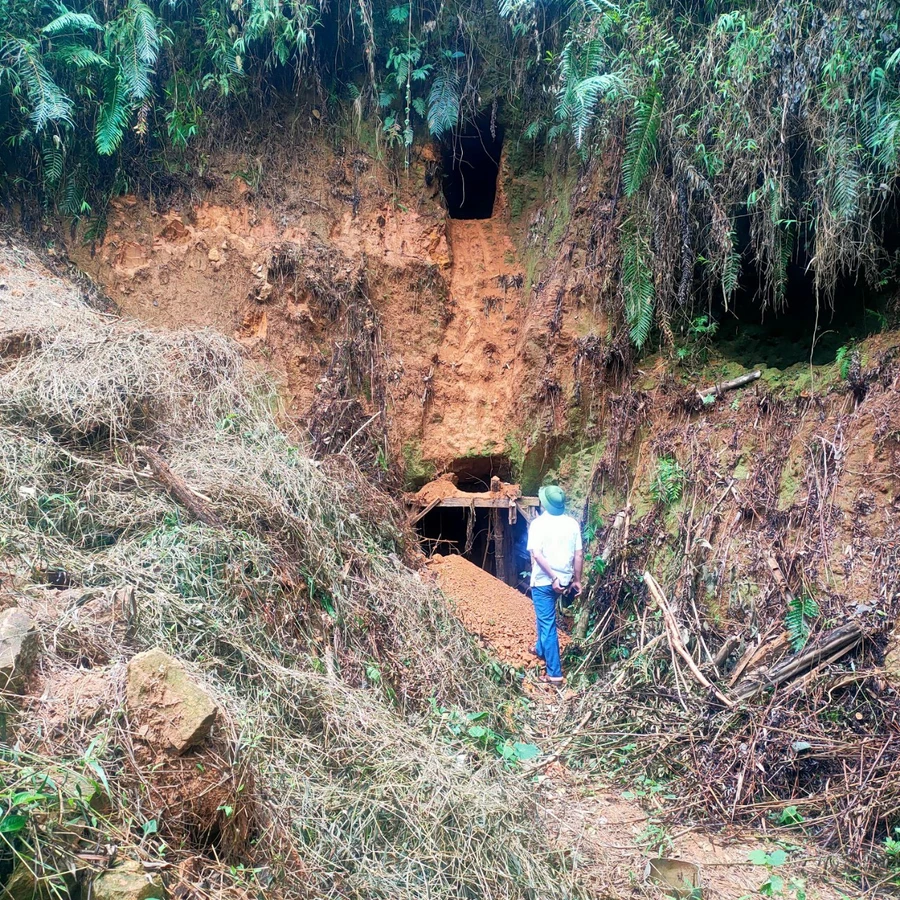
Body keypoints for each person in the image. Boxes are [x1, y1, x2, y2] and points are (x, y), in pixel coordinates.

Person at [527, 485, 583, 685]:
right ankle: (540, 649)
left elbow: (537, 554)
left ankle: (555, 674)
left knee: (548, 623)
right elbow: (578, 555)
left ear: (543, 503)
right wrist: (577, 580)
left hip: (545, 581)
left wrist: (552, 577)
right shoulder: (572, 524)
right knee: (544, 617)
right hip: (565, 581)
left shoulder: (538, 524)